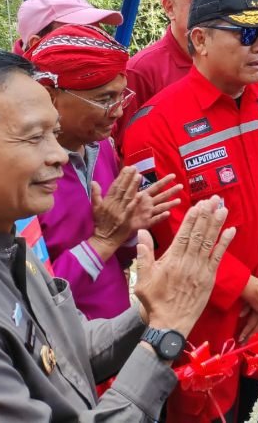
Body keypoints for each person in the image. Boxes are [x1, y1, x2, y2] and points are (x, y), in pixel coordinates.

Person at [0, 48, 237, 420]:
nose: (59, 155)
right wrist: (164, 334)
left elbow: (70, 354)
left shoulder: (4, 245)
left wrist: (149, 311)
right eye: (33, 137)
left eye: (55, 133)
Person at [122, 0, 258, 419]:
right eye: (245, 34)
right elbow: (172, 227)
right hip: (203, 317)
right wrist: (247, 288)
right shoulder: (154, 126)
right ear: (199, 40)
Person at [23, 24, 180, 319]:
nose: (118, 112)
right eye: (104, 99)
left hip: (112, 339)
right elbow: (37, 296)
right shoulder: (22, 174)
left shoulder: (101, 148)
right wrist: (103, 240)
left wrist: (128, 231)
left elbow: (115, 260)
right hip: (63, 352)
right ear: (50, 94)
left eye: (121, 96)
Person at [117, 0, 218, 144]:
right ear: (170, 8)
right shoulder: (142, 70)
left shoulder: (222, 59)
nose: (211, 12)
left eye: (215, 3)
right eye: (199, 3)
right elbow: (125, 145)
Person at [15, 0, 122, 56]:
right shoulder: (13, 87)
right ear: (36, 44)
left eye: (98, 31)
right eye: (79, 35)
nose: (98, 41)